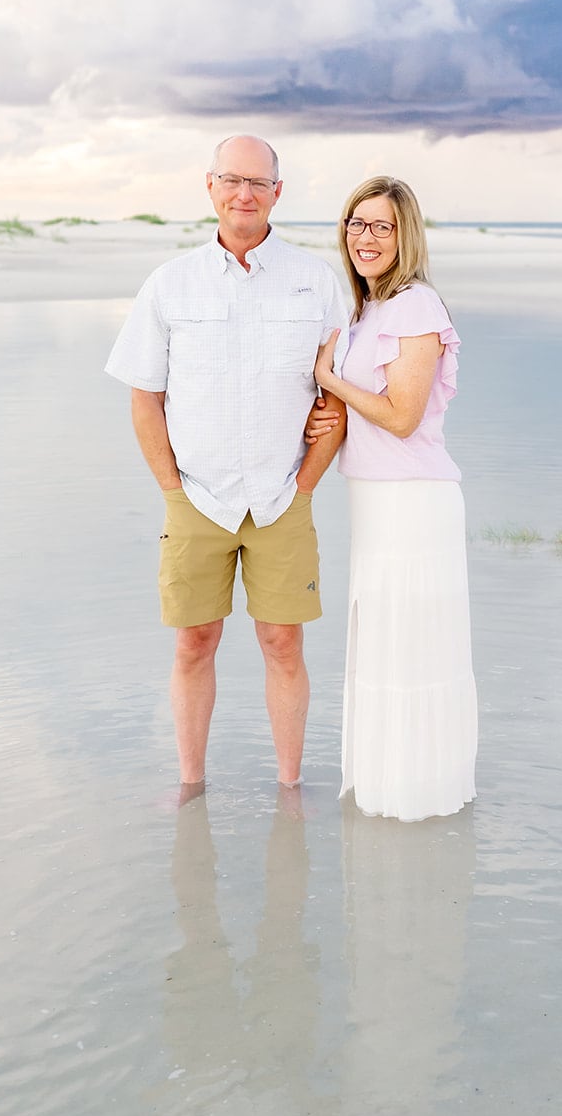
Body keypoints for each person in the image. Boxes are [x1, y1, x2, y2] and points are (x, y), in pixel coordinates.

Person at [105, 135, 348, 790]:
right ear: (210, 186)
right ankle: (190, 784)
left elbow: (338, 398)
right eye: (231, 180)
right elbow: (144, 397)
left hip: (281, 499)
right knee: (192, 645)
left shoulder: (314, 281)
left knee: (283, 646)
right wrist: (171, 491)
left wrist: (304, 486)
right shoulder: (170, 283)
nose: (245, 193)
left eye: (258, 182)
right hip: (195, 499)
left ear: (277, 192)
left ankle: (290, 787)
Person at [311, 175, 477, 820]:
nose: (365, 237)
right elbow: (356, 410)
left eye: (382, 226)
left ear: (405, 236)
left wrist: (328, 378)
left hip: (414, 500)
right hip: (376, 500)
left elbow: (403, 416)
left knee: (412, 649)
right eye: (356, 223)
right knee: (383, 642)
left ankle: (417, 799)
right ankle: (385, 792)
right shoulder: (366, 309)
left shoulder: (415, 306)